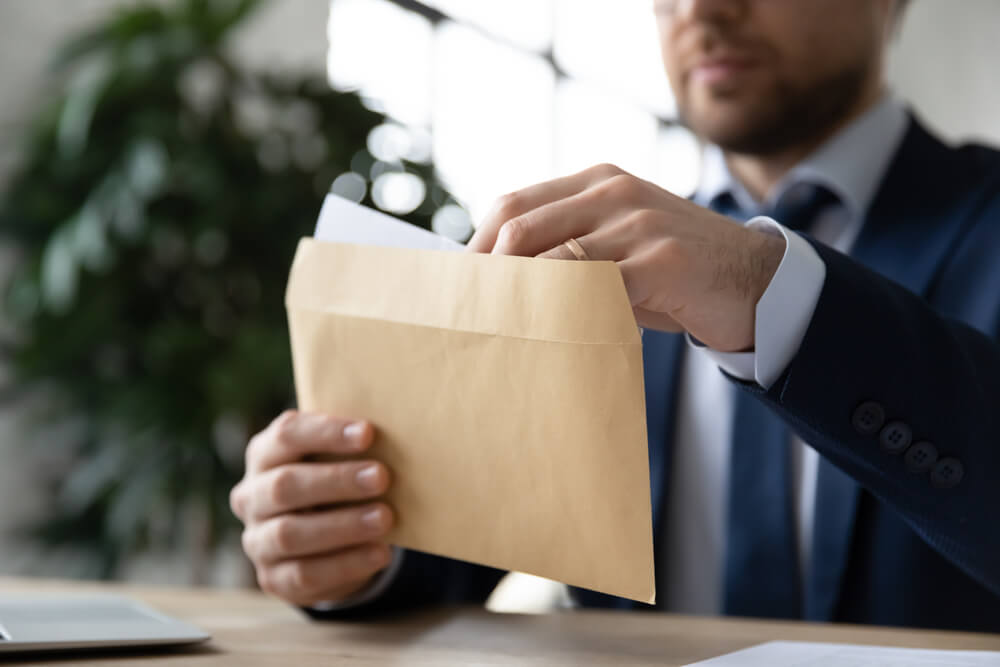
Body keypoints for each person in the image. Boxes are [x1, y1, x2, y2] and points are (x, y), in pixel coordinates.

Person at [229, 0, 1000, 631]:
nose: (702, 10)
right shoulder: (600, 259)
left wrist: (768, 291)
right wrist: (345, 536)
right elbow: (461, 535)